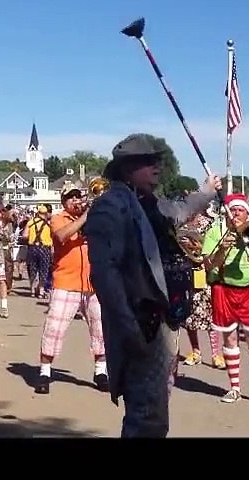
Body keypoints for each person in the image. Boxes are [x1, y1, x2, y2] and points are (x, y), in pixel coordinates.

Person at [83, 134, 220, 438]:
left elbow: (182, 210)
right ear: (127, 168)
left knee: (155, 413)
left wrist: (207, 191)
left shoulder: (150, 203)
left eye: (158, 160)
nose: (157, 166)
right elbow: (105, 275)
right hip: (140, 320)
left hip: (161, 318)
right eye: (148, 162)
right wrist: (128, 325)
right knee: (146, 417)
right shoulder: (110, 206)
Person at [201, 193, 249, 406]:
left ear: (247, 213)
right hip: (223, 289)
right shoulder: (217, 230)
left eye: (240, 211)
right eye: (232, 210)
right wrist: (223, 248)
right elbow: (208, 264)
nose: (236, 214)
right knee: (230, 339)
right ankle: (234, 389)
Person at [35, 187, 107, 395]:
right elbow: (61, 236)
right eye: (71, 198)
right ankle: (45, 371)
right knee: (54, 328)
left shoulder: (94, 218)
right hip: (66, 281)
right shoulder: (59, 218)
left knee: (101, 329)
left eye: (78, 197)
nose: (76, 201)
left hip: (93, 283)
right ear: (63, 201)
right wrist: (86, 216)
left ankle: (101, 372)